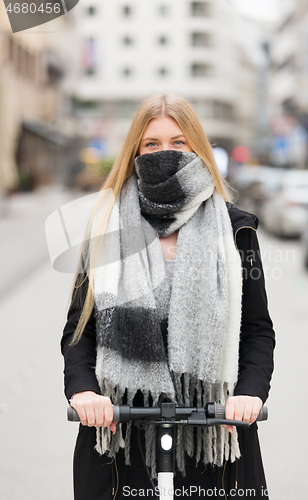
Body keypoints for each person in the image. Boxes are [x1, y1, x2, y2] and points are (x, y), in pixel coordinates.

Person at [61, 94, 275, 499]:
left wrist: (249, 393)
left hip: (214, 432)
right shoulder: (106, 226)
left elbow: (258, 330)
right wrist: (84, 391)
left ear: (197, 146)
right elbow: (79, 328)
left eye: (178, 142)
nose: (166, 152)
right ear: (135, 152)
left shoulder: (235, 230)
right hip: (122, 435)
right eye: (152, 144)